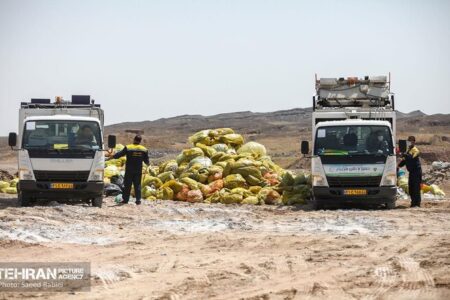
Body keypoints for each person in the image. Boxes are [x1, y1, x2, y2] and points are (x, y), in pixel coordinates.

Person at [109, 135, 150, 205]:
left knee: (127, 185)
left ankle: (125, 200)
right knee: (137, 185)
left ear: (134, 140)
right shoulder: (144, 149)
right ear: (140, 141)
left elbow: (120, 154)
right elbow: (146, 161)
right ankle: (138, 200)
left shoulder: (128, 147)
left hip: (129, 170)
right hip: (138, 171)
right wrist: (148, 163)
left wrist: (113, 156)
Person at [398, 136, 422, 207]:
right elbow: (405, 161)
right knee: (411, 188)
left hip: (416, 172)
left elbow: (412, 157)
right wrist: (398, 166)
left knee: (416, 188)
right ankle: (413, 203)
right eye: (409, 141)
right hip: (411, 172)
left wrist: (404, 154)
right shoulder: (408, 151)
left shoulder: (415, 150)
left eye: (411, 141)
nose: (410, 142)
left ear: (414, 142)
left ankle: (417, 204)